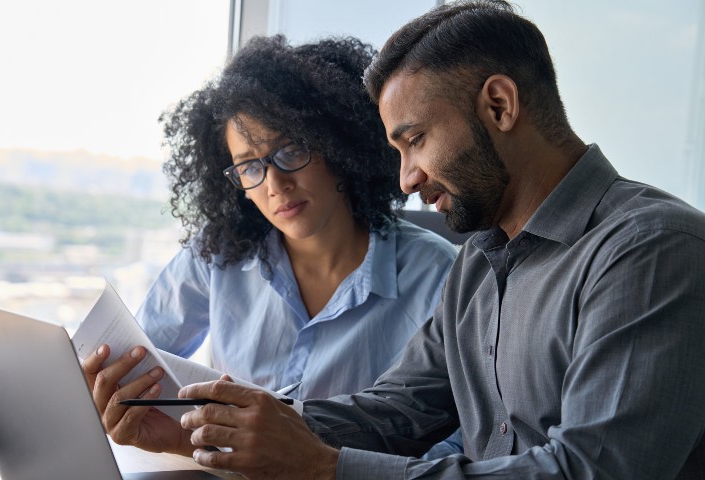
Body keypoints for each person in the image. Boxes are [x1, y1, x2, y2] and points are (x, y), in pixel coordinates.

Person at [86, 1, 705, 477]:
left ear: (499, 105)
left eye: (414, 140)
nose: (406, 178)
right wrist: (208, 431)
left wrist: (326, 470)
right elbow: (398, 410)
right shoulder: (482, 264)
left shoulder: (652, 249)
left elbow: (592, 472)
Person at [84, 35, 461, 455]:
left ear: (339, 147)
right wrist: (111, 394)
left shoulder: (438, 275)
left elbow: (458, 444)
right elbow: (141, 360)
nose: (276, 184)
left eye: (291, 151)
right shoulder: (217, 257)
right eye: (249, 166)